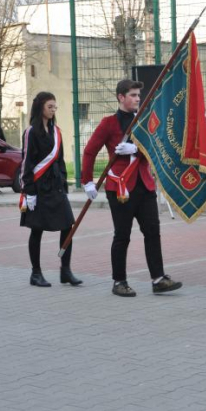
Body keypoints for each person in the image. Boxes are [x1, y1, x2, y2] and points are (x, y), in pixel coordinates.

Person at [82, 79, 182, 297]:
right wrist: (87, 181)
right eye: (133, 95)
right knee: (122, 235)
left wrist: (135, 149)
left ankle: (158, 278)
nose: (138, 99)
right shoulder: (108, 123)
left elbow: (156, 148)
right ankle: (119, 281)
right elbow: (90, 151)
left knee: (152, 232)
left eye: (139, 95)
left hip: (144, 185)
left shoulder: (144, 121)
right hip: (120, 188)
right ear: (121, 97)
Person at [19, 92, 82, 288]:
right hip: (38, 187)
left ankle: (65, 269)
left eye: (55, 107)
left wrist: (63, 181)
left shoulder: (57, 131)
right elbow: (26, 162)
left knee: (67, 227)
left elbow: (60, 159)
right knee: (37, 230)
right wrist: (29, 191)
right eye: (50, 106)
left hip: (55, 186)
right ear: (40, 108)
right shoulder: (31, 132)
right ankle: (35, 273)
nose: (53, 110)